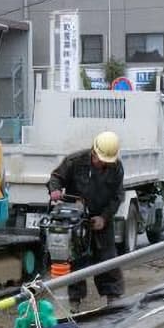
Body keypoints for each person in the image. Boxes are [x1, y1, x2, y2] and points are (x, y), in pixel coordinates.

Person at [47, 131, 125, 312]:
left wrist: (104, 218)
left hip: (101, 215)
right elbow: (56, 177)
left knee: (107, 258)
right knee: (76, 259)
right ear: (93, 152)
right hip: (76, 217)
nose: (102, 163)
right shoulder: (75, 162)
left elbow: (117, 196)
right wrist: (55, 190)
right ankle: (74, 302)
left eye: (106, 161)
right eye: (100, 159)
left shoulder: (116, 167)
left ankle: (113, 298)